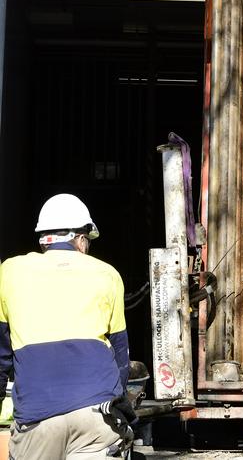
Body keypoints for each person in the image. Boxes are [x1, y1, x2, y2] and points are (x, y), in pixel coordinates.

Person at [0, 193, 135, 459]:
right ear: (82, 240)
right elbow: (121, 357)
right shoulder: (108, 273)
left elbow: (1, 356)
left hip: (38, 419)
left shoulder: (9, 272)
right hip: (97, 417)